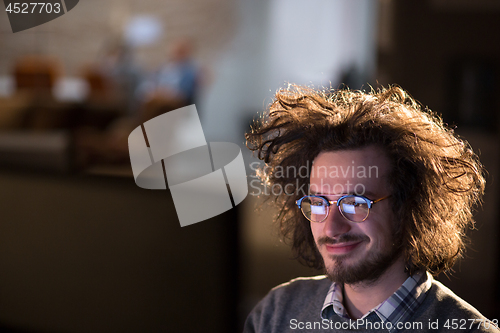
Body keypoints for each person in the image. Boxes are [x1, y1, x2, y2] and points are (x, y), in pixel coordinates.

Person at [244, 84, 499, 332]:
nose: (331, 227)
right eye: (319, 203)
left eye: (355, 203)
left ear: (409, 205)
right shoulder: (276, 313)